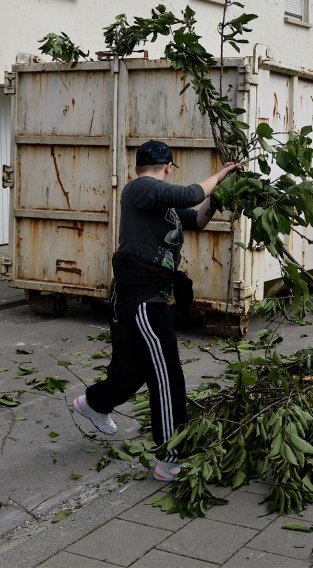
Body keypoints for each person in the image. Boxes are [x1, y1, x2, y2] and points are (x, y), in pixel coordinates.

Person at [73, 140, 239, 481]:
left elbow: (198, 218)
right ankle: (170, 460)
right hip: (143, 299)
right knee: (167, 376)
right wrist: (222, 174)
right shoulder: (140, 188)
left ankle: (94, 403)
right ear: (167, 167)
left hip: (142, 297)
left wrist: (219, 196)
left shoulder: (161, 204)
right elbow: (192, 194)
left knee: (132, 371)